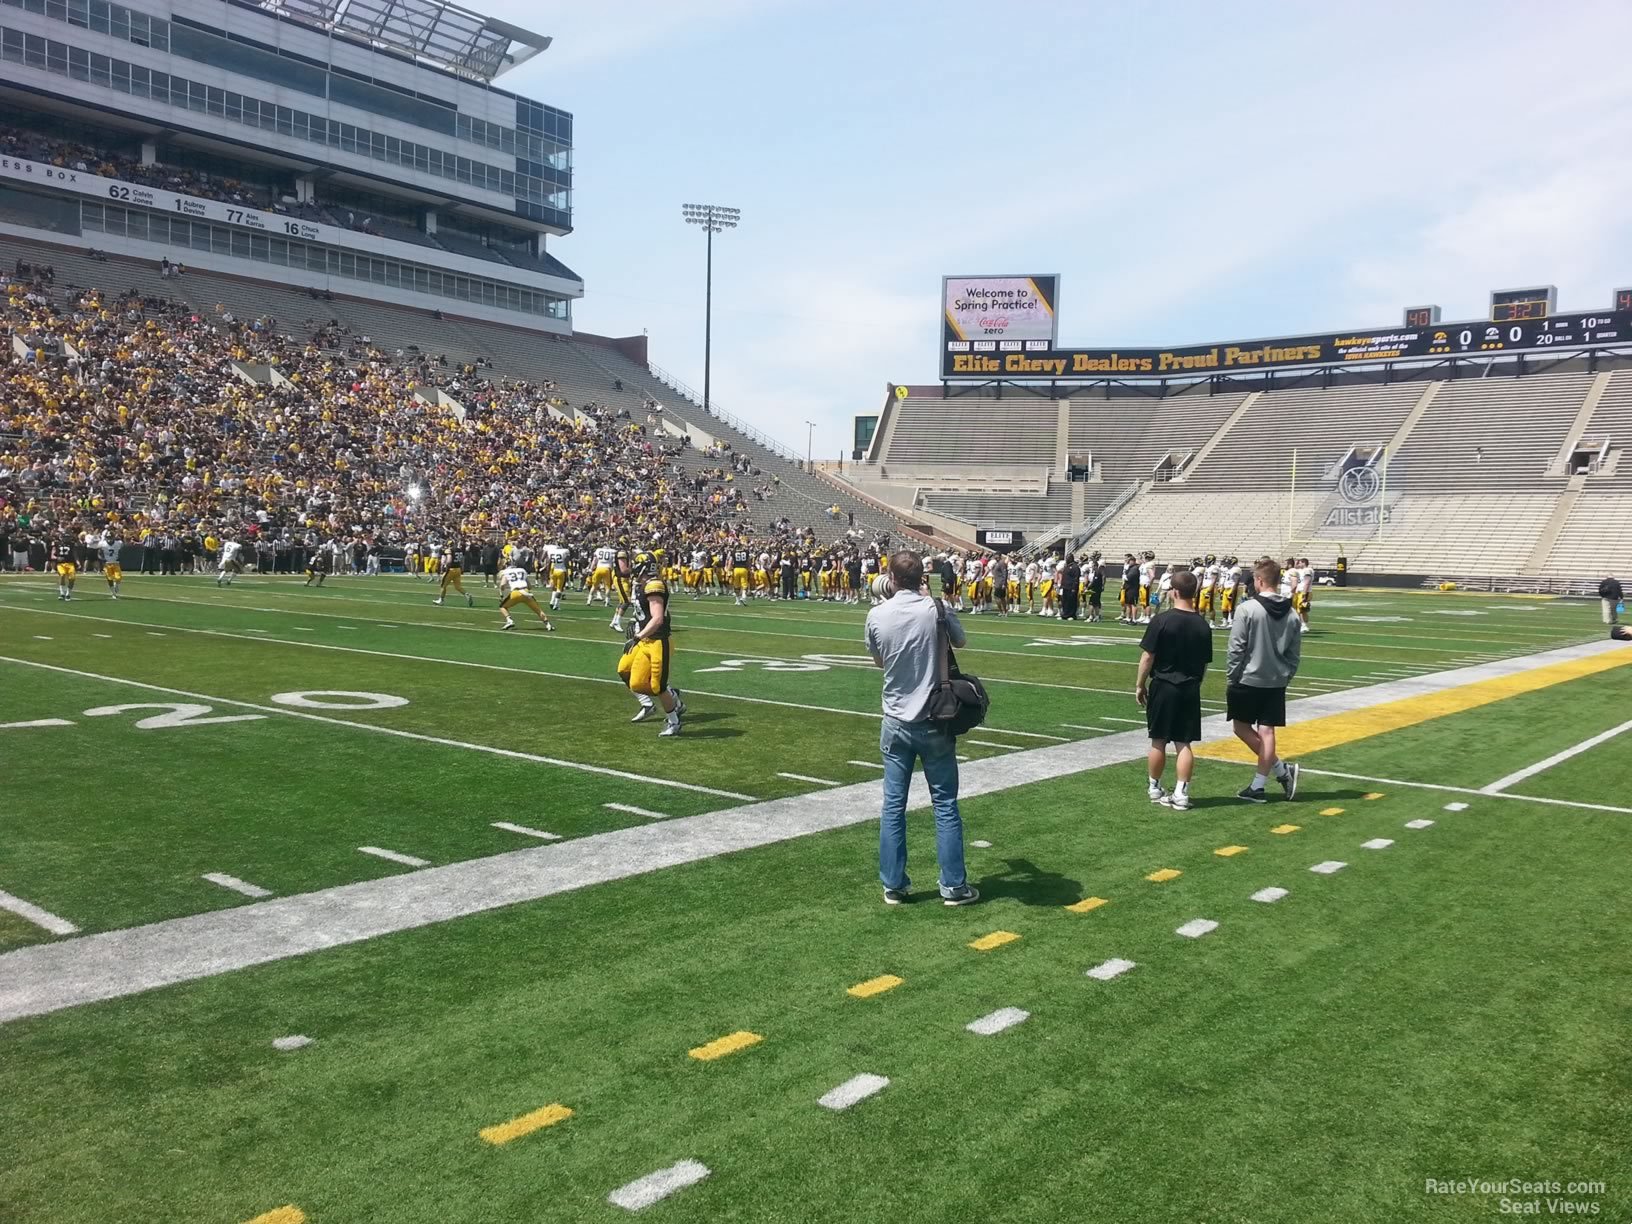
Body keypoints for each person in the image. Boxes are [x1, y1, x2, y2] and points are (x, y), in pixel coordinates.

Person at [864, 551, 979, 907]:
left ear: (892, 578)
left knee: (893, 805)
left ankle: (894, 884)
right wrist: (935, 606)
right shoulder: (937, 609)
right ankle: (953, 886)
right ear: (921, 578)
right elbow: (960, 642)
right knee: (944, 804)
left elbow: (879, 660)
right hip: (935, 718)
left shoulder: (876, 614)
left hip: (895, 719)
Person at [1225, 558, 1303, 803]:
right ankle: (1275, 773)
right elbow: (1294, 654)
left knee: (1240, 728)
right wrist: (1285, 675)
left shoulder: (1247, 609)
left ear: (1259, 580)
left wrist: (1232, 676)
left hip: (1248, 678)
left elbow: (1236, 649)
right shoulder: (1291, 614)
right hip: (1276, 680)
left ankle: (1264, 782)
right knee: (1267, 732)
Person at [1136, 569, 1212, 810]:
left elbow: (1148, 657)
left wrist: (1139, 684)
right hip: (1189, 686)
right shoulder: (1202, 624)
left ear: (1175, 591)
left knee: (1158, 740)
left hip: (1164, 685)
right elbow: (1204, 664)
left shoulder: (1162, 620)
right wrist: (1196, 683)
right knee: (1184, 742)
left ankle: (1154, 786)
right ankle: (1182, 792)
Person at [617, 551, 684, 735]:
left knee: (658, 687)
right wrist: (634, 623)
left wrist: (637, 636)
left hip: (658, 641)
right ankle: (669, 697)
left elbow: (657, 619)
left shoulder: (654, 585)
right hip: (646, 640)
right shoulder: (642, 584)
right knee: (636, 683)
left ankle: (674, 722)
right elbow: (643, 613)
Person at [498, 561, 554, 632]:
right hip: (526, 592)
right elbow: (530, 586)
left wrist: (502, 593)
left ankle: (509, 620)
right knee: (538, 610)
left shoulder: (506, 572)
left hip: (516, 593)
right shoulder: (522, 570)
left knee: (502, 607)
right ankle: (548, 625)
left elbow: (502, 585)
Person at [1059, 554, 1081, 621]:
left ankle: (1072, 615)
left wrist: (1074, 588)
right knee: (1064, 601)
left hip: (1071, 587)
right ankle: (1065, 614)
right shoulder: (1066, 566)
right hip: (1065, 587)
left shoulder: (1075, 567)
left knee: (1071, 601)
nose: (1066, 559)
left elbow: (1076, 578)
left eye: (1067, 558)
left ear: (1071, 558)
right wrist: (1062, 585)